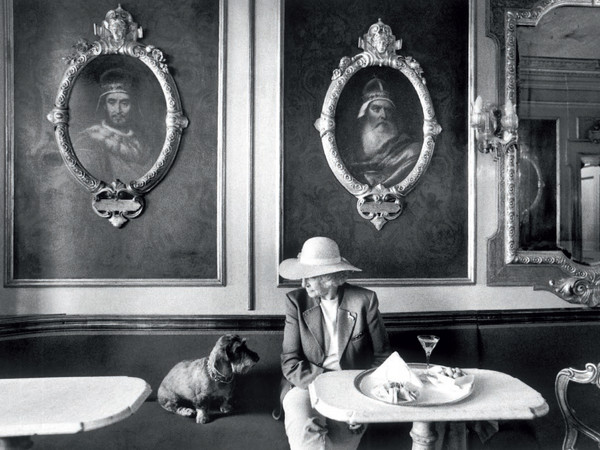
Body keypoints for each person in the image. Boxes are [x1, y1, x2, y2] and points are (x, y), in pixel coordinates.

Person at [278, 236, 391, 450]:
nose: (303, 284)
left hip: (353, 389)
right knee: (306, 435)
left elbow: (382, 358)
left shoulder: (364, 301)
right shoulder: (296, 301)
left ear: (328, 277)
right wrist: (328, 382)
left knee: (343, 442)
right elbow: (290, 362)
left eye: (309, 277)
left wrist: (364, 399)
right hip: (305, 386)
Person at [74, 68, 148, 183]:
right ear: (104, 105)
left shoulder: (142, 143)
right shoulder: (90, 141)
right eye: (112, 102)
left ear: (132, 106)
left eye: (124, 103)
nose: (117, 110)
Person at [346, 77, 421, 187]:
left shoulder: (411, 151)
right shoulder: (351, 148)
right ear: (365, 113)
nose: (383, 116)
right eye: (376, 109)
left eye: (388, 110)